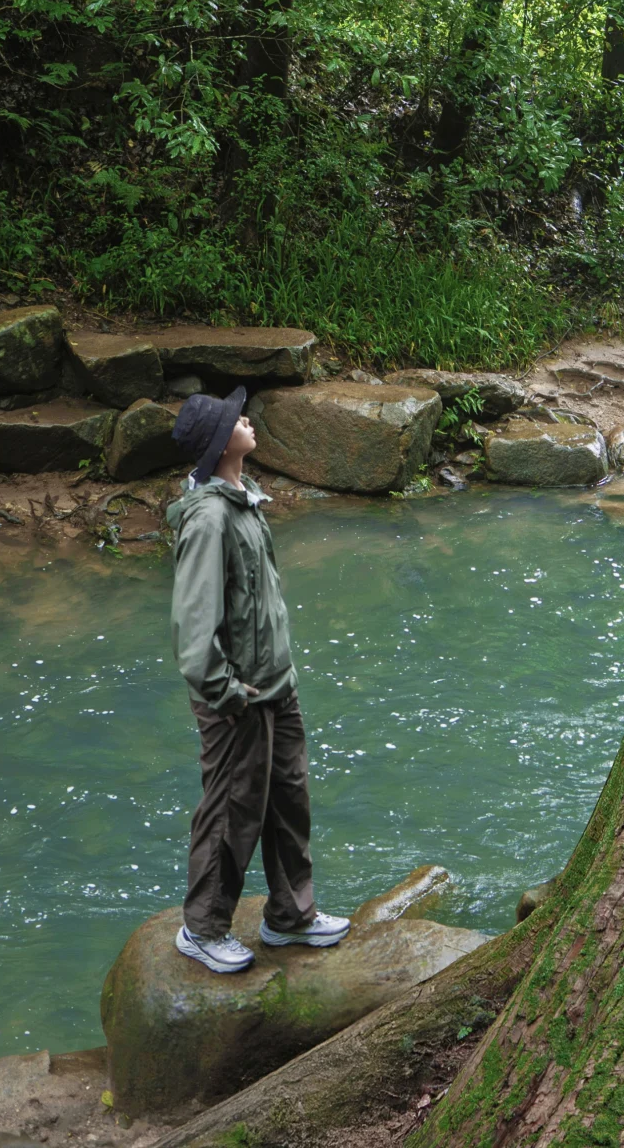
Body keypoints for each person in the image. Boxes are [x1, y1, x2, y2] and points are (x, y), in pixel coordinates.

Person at [165, 386, 350, 973]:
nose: (245, 419)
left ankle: (289, 915)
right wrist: (225, 691)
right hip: (237, 698)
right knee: (231, 812)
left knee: (288, 801)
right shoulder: (211, 518)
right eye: (234, 419)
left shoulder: (244, 500)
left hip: (276, 685)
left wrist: (281, 676)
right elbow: (195, 629)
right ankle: (202, 928)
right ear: (222, 446)